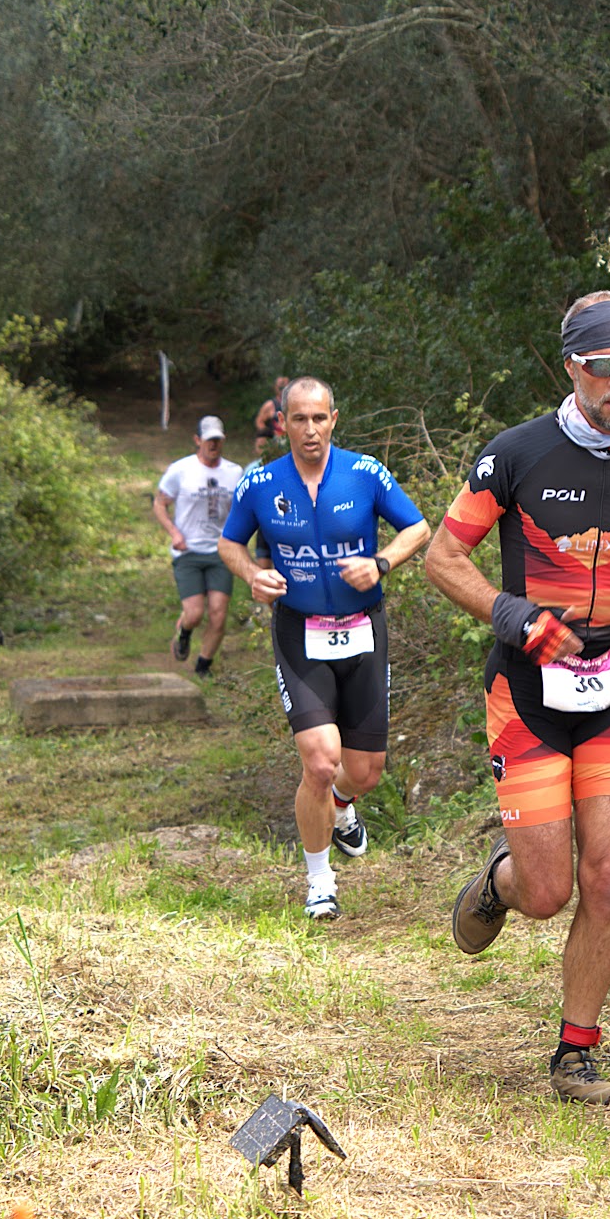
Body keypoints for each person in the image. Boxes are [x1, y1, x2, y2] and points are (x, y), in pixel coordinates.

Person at [425, 291, 610, 1105]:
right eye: (603, 368)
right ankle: (499, 880)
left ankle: (573, 1057)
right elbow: (444, 559)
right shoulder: (517, 454)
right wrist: (513, 614)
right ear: (572, 369)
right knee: (548, 891)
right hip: (527, 690)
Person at [218, 376, 431, 920]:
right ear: (282, 423)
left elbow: (419, 529)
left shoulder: (365, 473)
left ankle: (342, 806)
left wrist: (381, 562)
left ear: (334, 419)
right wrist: (251, 574)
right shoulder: (261, 483)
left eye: (319, 418)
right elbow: (228, 543)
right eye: (299, 419)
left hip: (364, 628)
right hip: (300, 631)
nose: (310, 430)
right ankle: (319, 881)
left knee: (363, 772)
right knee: (319, 762)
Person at [152, 415, 244, 677]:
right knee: (194, 614)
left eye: (218, 440)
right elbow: (160, 504)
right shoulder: (181, 470)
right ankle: (184, 633)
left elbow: (240, 510)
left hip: (220, 551)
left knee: (218, 614)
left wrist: (237, 540)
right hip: (188, 551)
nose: (214, 445)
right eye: (209, 440)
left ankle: (203, 666)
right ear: (197, 440)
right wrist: (174, 533)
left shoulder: (234, 472)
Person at [254, 375, 289, 459]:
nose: (282, 390)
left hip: (290, 437)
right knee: (261, 436)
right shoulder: (270, 405)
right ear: (275, 388)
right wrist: (269, 432)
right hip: (276, 437)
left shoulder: (295, 403)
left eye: (285, 387)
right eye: (280, 387)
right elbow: (259, 421)